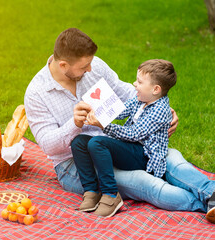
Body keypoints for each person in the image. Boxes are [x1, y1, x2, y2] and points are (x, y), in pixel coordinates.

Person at [24, 28, 215, 224]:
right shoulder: (36, 93)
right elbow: (48, 146)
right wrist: (74, 124)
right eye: (84, 67)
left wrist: (160, 110)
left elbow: (128, 93)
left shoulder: (93, 67)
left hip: (113, 144)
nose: (90, 71)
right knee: (143, 181)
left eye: (90, 64)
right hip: (74, 164)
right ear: (63, 64)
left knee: (171, 158)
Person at [71, 59, 177, 217]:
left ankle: (111, 195)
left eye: (140, 82)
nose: (135, 84)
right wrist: (97, 107)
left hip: (143, 157)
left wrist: (104, 125)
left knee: (97, 143)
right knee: (78, 142)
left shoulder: (160, 110)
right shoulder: (140, 99)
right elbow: (119, 111)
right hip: (129, 148)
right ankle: (91, 191)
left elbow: (133, 133)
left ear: (155, 89)